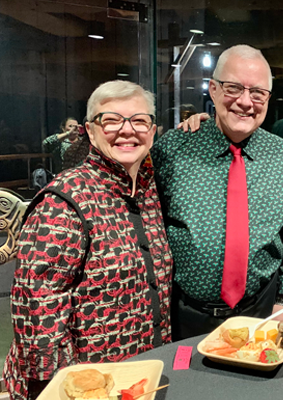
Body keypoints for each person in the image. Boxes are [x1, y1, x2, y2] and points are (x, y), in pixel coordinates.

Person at [3, 80, 173, 400]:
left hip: (138, 376)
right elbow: (37, 306)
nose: (127, 130)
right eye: (111, 120)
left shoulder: (148, 190)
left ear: (152, 131)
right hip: (85, 387)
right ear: (90, 131)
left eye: (139, 120)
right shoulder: (64, 200)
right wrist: (65, 387)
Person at [152, 44, 283, 339]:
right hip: (186, 316)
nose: (246, 102)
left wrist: (282, 300)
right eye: (233, 88)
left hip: (260, 312)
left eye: (257, 93)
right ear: (213, 90)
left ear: (268, 99)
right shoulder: (174, 148)